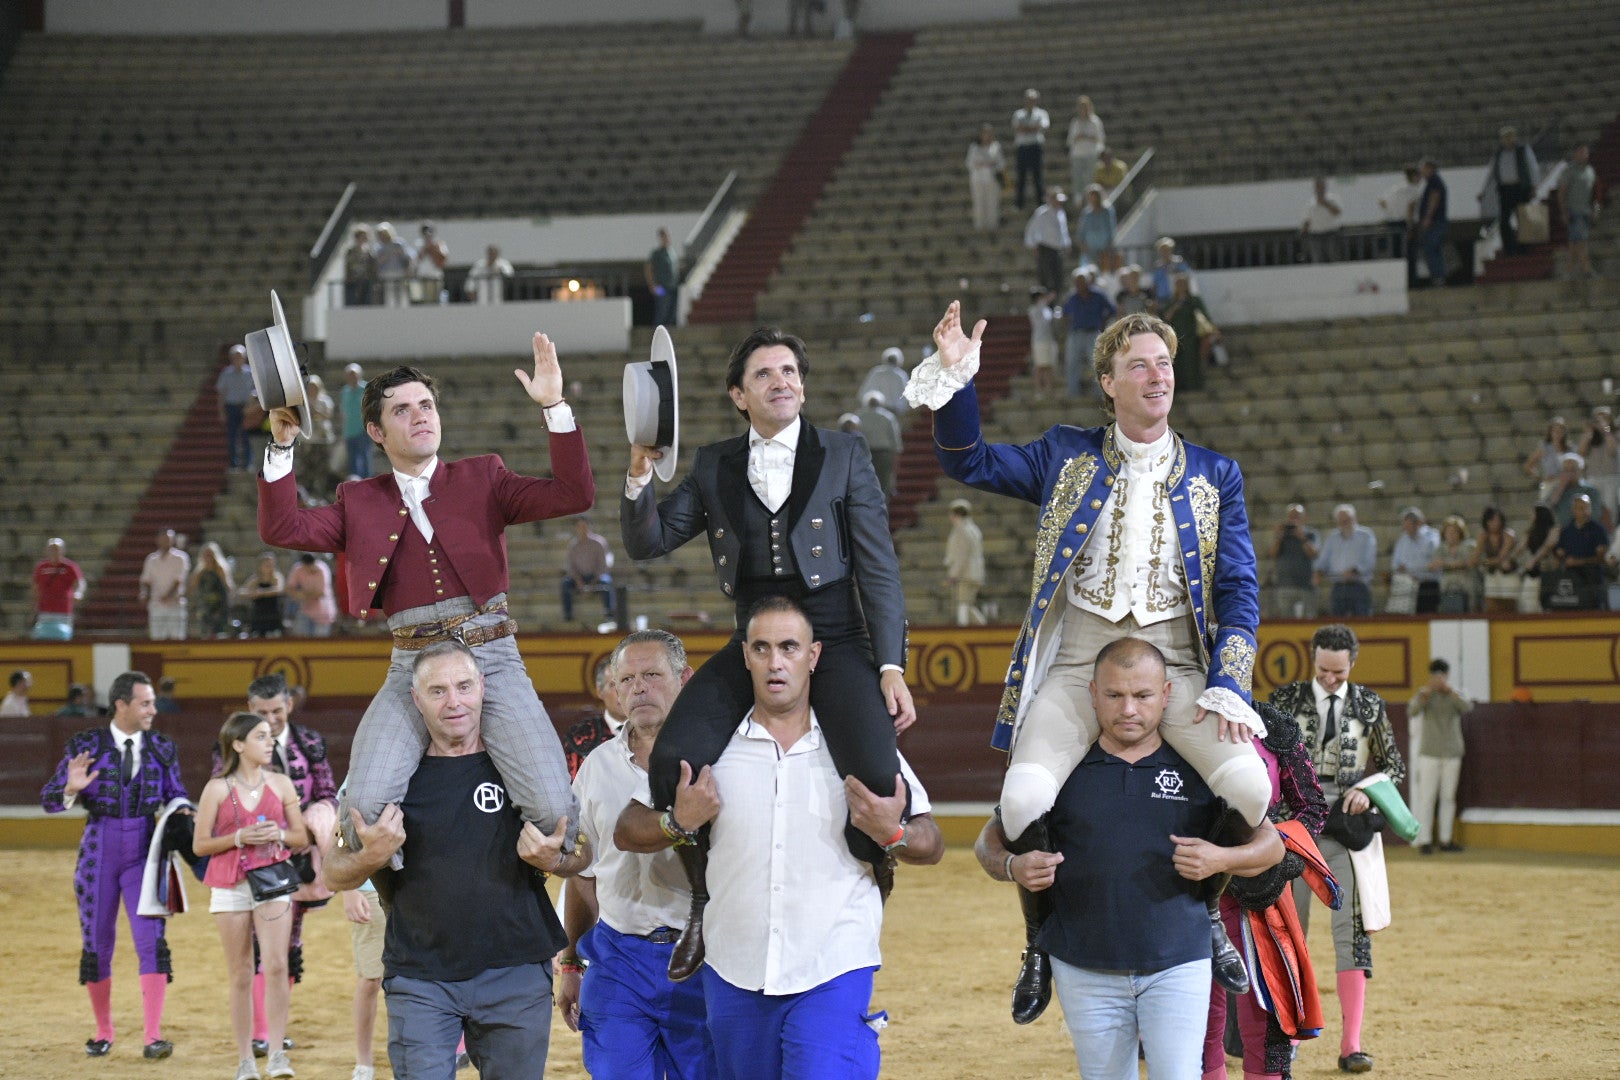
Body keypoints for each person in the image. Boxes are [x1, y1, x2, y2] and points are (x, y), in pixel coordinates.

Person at [913, 303, 1271, 1022]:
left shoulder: (1215, 472)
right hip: (1081, 656)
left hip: (1174, 660)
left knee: (1253, 792)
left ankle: (1203, 914)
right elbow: (968, 460)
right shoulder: (1067, 452)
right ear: (1107, 381)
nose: (1156, 375)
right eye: (1138, 364)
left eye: (1164, 363)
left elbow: (1237, 587)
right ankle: (1038, 944)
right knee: (1020, 804)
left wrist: (1230, 682)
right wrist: (956, 381)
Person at [620, 325, 916, 981]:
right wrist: (639, 477)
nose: (782, 382)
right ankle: (702, 898)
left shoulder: (845, 451)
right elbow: (649, 543)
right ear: (738, 395)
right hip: (753, 637)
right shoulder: (712, 462)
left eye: (790, 371)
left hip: (833, 636)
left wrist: (890, 664)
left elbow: (879, 567)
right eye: (765, 374)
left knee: (873, 765)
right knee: (673, 759)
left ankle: (873, 864)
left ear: (802, 385)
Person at [258, 338, 594, 858]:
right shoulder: (358, 499)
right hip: (411, 664)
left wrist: (554, 406)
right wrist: (281, 446)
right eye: (402, 410)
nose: (420, 417)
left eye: (426, 405)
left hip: (492, 657)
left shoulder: (483, 476)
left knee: (554, 812)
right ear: (376, 430)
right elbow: (281, 525)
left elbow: (575, 495)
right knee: (363, 810)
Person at [616, 597, 943, 1080]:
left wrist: (891, 832)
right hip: (734, 968)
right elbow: (628, 828)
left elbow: (930, 842)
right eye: (762, 648)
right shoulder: (711, 745)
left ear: (813, 656)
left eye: (789, 647)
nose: (775, 662)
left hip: (833, 964)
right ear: (744, 656)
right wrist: (677, 822)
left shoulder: (855, 742)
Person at [974, 638, 1283, 1080]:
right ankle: (1035, 954)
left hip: (1180, 961)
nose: (1129, 711)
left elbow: (1272, 844)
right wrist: (1012, 866)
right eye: (1114, 696)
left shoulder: (1200, 765)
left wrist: (1221, 858)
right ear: (1092, 695)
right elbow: (989, 841)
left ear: (1167, 695)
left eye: (1142, 696)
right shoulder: (1061, 767)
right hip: (1082, 965)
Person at [322, 640, 588, 1079]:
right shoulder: (389, 778)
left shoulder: (523, 771)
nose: (454, 702)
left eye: (464, 686)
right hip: (420, 976)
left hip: (516, 971)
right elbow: (333, 871)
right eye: (438, 691)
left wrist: (556, 861)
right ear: (415, 699)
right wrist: (368, 856)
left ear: (484, 687)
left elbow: (583, 853)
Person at [555, 630, 718, 1079]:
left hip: (708, 960)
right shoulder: (595, 767)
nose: (638, 688)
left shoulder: (724, 757)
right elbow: (584, 873)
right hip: (618, 960)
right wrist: (571, 961)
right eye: (625, 679)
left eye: (652, 675)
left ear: (684, 678)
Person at [1270, 624, 1404, 1075]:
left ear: (1352, 664)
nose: (1330, 678)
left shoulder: (1369, 704)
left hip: (1346, 830)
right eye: (1324, 670)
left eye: (1338, 671)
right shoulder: (1285, 701)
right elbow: (1263, 759)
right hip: (1294, 829)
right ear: (1314, 659)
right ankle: (1285, 1038)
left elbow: (1393, 767)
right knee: (1290, 931)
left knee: (1352, 933)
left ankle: (1351, 1045)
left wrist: (1368, 788)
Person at [41, 671, 189, 1060]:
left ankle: (153, 1035)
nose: (153, 710)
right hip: (99, 849)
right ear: (121, 704)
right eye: (145, 703)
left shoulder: (161, 748)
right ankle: (103, 1030)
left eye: (152, 702)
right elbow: (49, 800)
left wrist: (182, 812)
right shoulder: (86, 745)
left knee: (151, 941)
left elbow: (177, 795)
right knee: (97, 942)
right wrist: (70, 788)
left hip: (145, 849)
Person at [208, 674, 339, 1059]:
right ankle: (263, 1031)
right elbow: (223, 799)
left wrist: (315, 823)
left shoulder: (311, 742)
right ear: (249, 709)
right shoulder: (231, 747)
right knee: (253, 945)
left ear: (289, 706)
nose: (272, 719)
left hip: (298, 858)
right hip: (251, 860)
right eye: (262, 712)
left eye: (277, 711)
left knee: (288, 944)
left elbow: (328, 793)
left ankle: (270, 1029)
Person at [1201, 698, 1329, 1080]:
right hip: (1192, 877)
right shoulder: (1174, 719)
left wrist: (1282, 852)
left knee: (1265, 1000)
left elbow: (1312, 806)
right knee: (1198, 999)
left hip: (1259, 882)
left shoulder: (1273, 726)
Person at [194, 711, 311, 1080]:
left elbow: (301, 838)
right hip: (230, 885)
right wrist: (240, 838)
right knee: (241, 973)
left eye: (270, 736)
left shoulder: (281, 783)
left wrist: (277, 835)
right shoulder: (216, 788)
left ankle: (276, 1053)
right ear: (238, 744)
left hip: (273, 882)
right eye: (261, 736)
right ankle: (245, 1059)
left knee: (276, 966)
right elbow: (200, 846)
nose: (271, 741)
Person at [1408, 659, 1470, 855]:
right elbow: (1412, 711)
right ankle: (1425, 840)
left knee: (1448, 797)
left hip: (1451, 752)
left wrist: (1449, 691)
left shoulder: (1455, 693)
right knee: (1427, 797)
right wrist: (1427, 694)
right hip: (1430, 752)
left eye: (1442, 675)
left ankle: (1445, 839)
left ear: (1447, 676)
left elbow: (1467, 708)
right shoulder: (1424, 693)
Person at [1478, 125, 1539, 256]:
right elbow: (1491, 173)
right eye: (1506, 137)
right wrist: (1483, 190)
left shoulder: (1523, 150)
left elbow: (1532, 167)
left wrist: (1534, 186)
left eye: (1511, 136)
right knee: (1504, 220)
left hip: (1520, 188)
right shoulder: (1498, 153)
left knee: (1523, 218)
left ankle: (1525, 248)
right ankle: (1509, 248)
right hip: (1505, 189)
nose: (1508, 139)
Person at [564, 655, 625, 779]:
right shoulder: (580, 737)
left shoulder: (657, 730)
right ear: (599, 691)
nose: (622, 691)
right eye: (613, 685)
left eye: (626, 681)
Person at [1060, 265, 1117, 398]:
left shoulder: (1098, 295)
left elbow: (1112, 310)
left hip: (1093, 333)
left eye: (1082, 281)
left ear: (1088, 282)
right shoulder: (1072, 297)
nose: (1079, 284)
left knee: (1096, 364)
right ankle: (1073, 394)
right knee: (1072, 364)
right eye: (1077, 282)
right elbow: (1064, 314)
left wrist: (1102, 322)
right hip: (1076, 333)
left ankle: (1099, 394)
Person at [1158, 273, 1217, 393]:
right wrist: (1176, 306)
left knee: (1191, 363)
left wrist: (1214, 330)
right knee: (1177, 364)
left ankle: (1194, 387)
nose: (1181, 286)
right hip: (1176, 337)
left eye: (1183, 284)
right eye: (1178, 284)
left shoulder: (1193, 300)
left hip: (1191, 337)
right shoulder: (1172, 301)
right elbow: (1165, 317)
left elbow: (1205, 315)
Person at [1314, 504, 1377, 617]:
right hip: (1338, 588)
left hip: (1359, 587)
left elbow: (1369, 561)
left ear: (1355, 519)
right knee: (1337, 625)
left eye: (1348, 520)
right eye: (1342, 521)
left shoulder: (1366, 536)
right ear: (1337, 522)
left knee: (1362, 624)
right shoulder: (1332, 538)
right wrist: (1318, 572)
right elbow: (1323, 560)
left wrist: (1354, 571)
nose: (1345, 523)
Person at [1553, 493, 1608, 610]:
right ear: (1573, 510)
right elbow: (1560, 554)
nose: (1584, 511)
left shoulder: (1598, 530)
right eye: (1580, 508)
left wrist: (1580, 562)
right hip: (1571, 581)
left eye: (1586, 507)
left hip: (1592, 580)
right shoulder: (1567, 531)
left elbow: (1601, 558)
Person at [561, 515, 616, 626]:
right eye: (579, 526)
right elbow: (571, 568)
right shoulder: (573, 545)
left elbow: (603, 566)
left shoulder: (599, 542)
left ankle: (610, 614)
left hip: (596, 577)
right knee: (565, 583)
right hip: (580, 578)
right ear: (576, 528)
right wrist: (579, 582)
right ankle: (568, 614)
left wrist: (593, 583)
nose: (582, 528)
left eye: (584, 525)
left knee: (607, 582)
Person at [1269, 503, 1320, 619]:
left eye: (1297, 516)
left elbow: (1313, 554)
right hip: (1285, 584)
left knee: (1308, 618)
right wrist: (1278, 537)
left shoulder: (1311, 534)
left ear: (1304, 518)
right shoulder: (1282, 535)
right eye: (1291, 516)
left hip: (1306, 585)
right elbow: (1272, 554)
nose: (1294, 519)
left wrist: (1302, 537)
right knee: (1286, 620)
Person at [1387, 507, 1441, 614]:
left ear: (1418, 523)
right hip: (1407, 586)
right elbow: (1395, 564)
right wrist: (1400, 569)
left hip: (1427, 585)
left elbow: (1436, 560)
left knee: (1427, 615)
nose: (1406, 528)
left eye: (1410, 524)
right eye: (1405, 524)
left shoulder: (1432, 537)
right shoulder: (1402, 540)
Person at [1558, 143, 1600, 278]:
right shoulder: (1570, 171)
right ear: (1575, 154)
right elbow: (1562, 192)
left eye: (1585, 152)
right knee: (1581, 241)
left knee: (1574, 242)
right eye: (1581, 152)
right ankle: (1586, 269)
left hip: (1586, 210)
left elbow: (1595, 193)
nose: (1584, 155)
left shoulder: (1590, 171)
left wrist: (1596, 208)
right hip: (1574, 211)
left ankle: (1568, 270)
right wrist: (1564, 211)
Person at [33, 536, 87, 640]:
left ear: (63, 550)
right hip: (45, 609)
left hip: (63, 610)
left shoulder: (69, 567)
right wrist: (35, 603)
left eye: (56, 549)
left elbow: (80, 582)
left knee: (63, 636)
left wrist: (79, 593)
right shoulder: (41, 567)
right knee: (43, 637)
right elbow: (36, 587)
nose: (54, 552)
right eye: (51, 549)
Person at [139, 528, 190, 640]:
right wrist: (145, 593)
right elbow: (146, 580)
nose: (166, 542)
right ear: (158, 540)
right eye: (163, 539)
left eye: (168, 539)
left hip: (175, 604)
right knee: (156, 638)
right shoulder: (151, 559)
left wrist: (168, 595)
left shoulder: (180, 558)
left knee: (177, 638)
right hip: (156, 605)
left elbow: (179, 579)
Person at [944, 498, 987, 626]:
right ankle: (982, 626)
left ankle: (964, 629)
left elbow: (961, 556)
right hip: (975, 572)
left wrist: (953, 575)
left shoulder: (961, 530)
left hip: (965, 573)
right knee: (968, 604)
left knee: (962, 604)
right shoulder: (973, 529)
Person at [1378, 164, 1423, 280]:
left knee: (1395, 253)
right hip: (1404, 224)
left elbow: (1382, 202)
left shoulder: (1395, 189)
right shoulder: (1414, 190)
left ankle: (1397, 279)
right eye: (1419, 177)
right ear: (1414, 176)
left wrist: (1391, 212)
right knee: (1409, 253)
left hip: (1391, 223)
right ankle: (1411, 280)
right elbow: (1410, 209)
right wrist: (1410, 226)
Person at [218, 344, 259, 473]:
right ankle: (233, 463)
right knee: (232, 436)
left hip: (247, 408)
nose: (238, 359)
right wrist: (221, 411)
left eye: (240, 357)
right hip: (231, 407)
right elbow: (221, 394)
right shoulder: (226, 373)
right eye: (235, 357)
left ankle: (248, 462)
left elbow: (256, 391)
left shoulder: (250, 373)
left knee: (247, 436)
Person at [1024, 187, 1071, 298]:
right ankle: (1046, 304)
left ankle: (1056, 303)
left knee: (1058, 278)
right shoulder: (1042, 213)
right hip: (1046, 248)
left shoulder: (1061, 213)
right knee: (1046, 278)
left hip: (1057, 249)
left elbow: (1063, 231)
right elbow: (1031, 230)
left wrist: (1067, 244)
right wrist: (1033, 246)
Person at [856, 389, 902, 497]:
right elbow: (895, 438)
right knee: (883, 482)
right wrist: (897, 452)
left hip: (865, 453)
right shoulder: (888, 417)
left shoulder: (859, 416)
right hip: (884, 453)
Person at [1430, 515, 1478, 614]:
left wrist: (1445, 564)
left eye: (1454, 532)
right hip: (1447, 584)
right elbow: (1433, 565)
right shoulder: (1440, 549)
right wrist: (1453, 565)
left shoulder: (1469, 546)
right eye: (1448, 532)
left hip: (1466, 581)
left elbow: (1468, 563)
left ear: (1460, 533)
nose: (1451, 535)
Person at [1477, 505, 1520, 613]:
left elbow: (1501, 558)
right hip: (1492, 574)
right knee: (1491, 605)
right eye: (1492, 520)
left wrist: (1484, 562)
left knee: (1510, 605)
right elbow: (1474, 557)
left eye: (1498, 520)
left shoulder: (1508, 535)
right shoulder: (1483, 536)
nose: (1496, 523)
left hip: (1508, 574)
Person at [1010, 88, 1049, 209]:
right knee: (1021, 176)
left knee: (1037, 176)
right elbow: (1017, 128)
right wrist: (1032, 128)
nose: (1030, 102)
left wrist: (1026, 128)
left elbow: (1042, 126)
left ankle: (1041, 202)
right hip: (1022, 148)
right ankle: (1019, 203)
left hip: (1035, 147)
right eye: (1028, 99)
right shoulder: (1018, 114)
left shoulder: (1041, 113)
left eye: (1033, 100)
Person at [1578, 405, 1619, 513]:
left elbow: (1613, 451)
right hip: (1593, 476)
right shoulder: (1590, 436)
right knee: (1593, 507)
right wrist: (1588, 434)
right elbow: (1581, 453)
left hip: (1610, 476)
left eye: (1605, 418)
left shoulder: (1614, 434)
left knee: (1610, 508)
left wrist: (1606, 429)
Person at [190, 541, 236, 638]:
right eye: (206, 555)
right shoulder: (199, 571)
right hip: (205, 606)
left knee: (220, 631)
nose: (208, 558)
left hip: (220, 606)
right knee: (205, 632)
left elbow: (229, 586)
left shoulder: (220, 569)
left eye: (211, 555)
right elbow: (192, 588)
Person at [965, 123, 1005, 231]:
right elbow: (969, 163)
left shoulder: (996, 146)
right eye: (984, 133)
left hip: (992, 179)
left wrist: (991, 164)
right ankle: (979, 226)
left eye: (988, 133)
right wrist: (980, 164)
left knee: (992, 202)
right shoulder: (974, 147)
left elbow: (1001, 164)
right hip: (977, 179)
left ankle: (992, 225)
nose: (986, 135)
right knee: (979, 202)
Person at [286, 554, 337, 637]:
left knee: (320, 645)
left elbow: (320, 593)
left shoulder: (322, 569)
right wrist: (302, 595)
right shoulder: (298, 569)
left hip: (323, 613)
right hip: (305, 611)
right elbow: (289, 588)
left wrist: (301, 595)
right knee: (301, 643)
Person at [1065, 96, 1105, 202]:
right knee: (1077, 176)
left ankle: (1090, 198)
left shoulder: (1095, 121)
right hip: (1077, 153)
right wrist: (1079, 137)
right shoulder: (1075, 122)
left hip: (1091, 153)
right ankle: (1077, 197)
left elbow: (1100, 138)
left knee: (1089, 177)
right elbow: (1070, 140)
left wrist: (1086, 137)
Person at [1416, 158, 1449, 287]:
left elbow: (1434, 198)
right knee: (1434, 249)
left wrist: (1428, 217)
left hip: (1435, 222)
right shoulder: (1433, 182)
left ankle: (1438, 277)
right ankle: (1438, 277)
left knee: (1431, 248)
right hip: (1436, 221)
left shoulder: (1434, 181)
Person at [239, 552, 286, 638]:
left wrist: (260, 593)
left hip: (273, 614)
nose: (269, 567)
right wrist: (251, 593)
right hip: (259, 614)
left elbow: (279, 589)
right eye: (266, 565)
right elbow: (242, 591)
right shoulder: (256, 579)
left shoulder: (276, 577)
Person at [1523, 415, 1571, 499]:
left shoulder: (1570, 448)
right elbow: (1528, 465)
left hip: (1567, 485)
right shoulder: (1544, 448)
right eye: (1555, 431)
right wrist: (1541, 477)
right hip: (1550, 484)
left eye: (1560, 430)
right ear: (1550, 432)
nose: (1558, 433)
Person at [339, 364, 372, 481]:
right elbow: (343, 413)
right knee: (352, 459)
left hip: (363, 430)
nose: (352, 377)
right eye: (349, 375)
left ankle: (368, 482)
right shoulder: (345, 391)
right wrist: (343, 432)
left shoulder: (366, 389)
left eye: (354, 375)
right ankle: (355, 484)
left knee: (364, 458)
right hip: (349, 431)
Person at [856, 346, 911, 416]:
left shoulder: (876, 372)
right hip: (894, 410)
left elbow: (864, 392)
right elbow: (906, 396)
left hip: (878, 408)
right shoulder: (901, 375)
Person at [1300, 176, 1344, 263]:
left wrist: (1325, 203)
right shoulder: (1310, 202)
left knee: (1334, 259)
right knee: (1317, 260)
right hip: (1314, 235)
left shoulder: (1333, 198)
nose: (1319, 188)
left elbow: (1337, 212)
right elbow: (1307, 219)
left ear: (1325, 186)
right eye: (1317, 186)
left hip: (1331, 234)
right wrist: (1303, 231)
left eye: (1321, 185)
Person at [372, 222, 414, 308]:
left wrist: (408, 269)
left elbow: (408, 256)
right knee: (389, 295)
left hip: (399, 272)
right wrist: (389, 255)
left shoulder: (399, 243)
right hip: (386, 274)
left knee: (401, 294)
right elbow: (377, 261)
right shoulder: (379, 247)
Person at [1076, 184, 1117, 273]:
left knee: (1104, 270)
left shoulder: (1107, 211)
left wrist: (1110, 244)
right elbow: (1081, 230)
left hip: (1103, 247)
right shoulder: (1086, 213)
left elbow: (1111, 228)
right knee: (1088, 270)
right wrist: (1081, 244)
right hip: (1089, 248)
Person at [1027, 285, 1059, 395]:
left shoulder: (1047, 310)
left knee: (1049, 366)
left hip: (1049, 339)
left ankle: (1049, 390)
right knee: (1040, 367)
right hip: (1039, 341)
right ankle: (1038, 391)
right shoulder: (1033, 310)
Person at [646, 227, 680, 327]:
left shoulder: (672, 252)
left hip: (673, 287)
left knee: (671, 312)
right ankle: (658, 333)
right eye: (664, 236)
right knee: (662, 310)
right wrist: (652, 285)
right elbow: (649, 269)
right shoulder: (657, 253)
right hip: (661, 287)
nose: (667, 238)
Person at [412, 222, 448, 304]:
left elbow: (442, 261)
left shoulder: (439, 244)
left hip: (434, 278)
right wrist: (425, 248)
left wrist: (432, 248)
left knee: (433, 302)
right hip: (421, 278)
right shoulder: (418, 244)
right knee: (421, 302)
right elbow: (416, 260)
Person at [343, 224, 378, 307]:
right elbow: (348, 265)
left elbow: (372, 265)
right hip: (353, 281)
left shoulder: (368, 251)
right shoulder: (350, 251)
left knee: (366, 302)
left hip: (365, 280)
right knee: (352, 303)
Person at [1150, 236, 1193, 301]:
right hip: (1162, 298)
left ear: (1171, 249)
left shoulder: (1179, 262)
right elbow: (1154, 284)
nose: (1164, 252)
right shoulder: (1157, 266)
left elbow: (1187, 277)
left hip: (1178, 297)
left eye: (1167, 249)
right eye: (1162, 250)